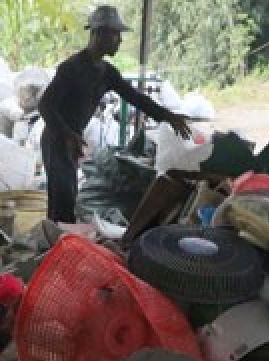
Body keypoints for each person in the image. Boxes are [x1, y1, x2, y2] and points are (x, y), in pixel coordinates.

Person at [38, 5, 192, 223]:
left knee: (66, 198)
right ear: (99, 33)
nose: (119, 40)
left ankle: (58, 242)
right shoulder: (71, 68)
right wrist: (67, 134)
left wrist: (167, 115)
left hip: (71, 140)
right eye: (115, 34)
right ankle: (57, 245)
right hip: (56, 139)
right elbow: (45, 105)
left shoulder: (106, 72)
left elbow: (136, 98)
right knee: (62, 197)